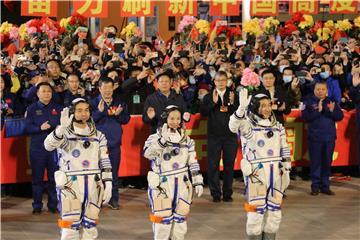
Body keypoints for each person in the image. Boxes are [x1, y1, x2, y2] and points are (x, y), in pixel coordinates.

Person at [44, 98, 112, 240]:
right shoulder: (65, 134)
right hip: (71, 184)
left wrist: (109, 183)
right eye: (79, 110)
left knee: (91, 224)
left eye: (86, 110)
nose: (83, 113)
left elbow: (104, 159)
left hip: (94, 182)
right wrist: (60, 129)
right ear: (72, 112)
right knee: (70, 224)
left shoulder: (98, 135)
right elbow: (48, 145)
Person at [229, 88, 291, 240]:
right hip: (257, 172)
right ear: (255, 107)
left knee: (275, 211)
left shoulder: (277, 126)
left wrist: (287, 168)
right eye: (262, 105)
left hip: (276, 171)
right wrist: (241, 108)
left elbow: (284, 147)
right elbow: (233, 126)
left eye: (268, 104)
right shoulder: (249, 125)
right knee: (256, 212)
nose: (267, 108)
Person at [143, 105, 203, 240]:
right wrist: (162, 141)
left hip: (182, 183)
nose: (175, 122)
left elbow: (192, 161)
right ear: (165, 119)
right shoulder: (155, 138)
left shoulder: (187, 140)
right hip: (163, 184)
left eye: (178, 119)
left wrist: (197, 180)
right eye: (171, 118)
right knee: (163, 222)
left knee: (180, 221)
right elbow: (147, 154)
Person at [90, 77, 130, 210]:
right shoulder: (92, 103)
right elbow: (89, 121)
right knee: (97, 173)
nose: (107, 91)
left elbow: (125, 120)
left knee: (113, 173)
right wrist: (100, 112)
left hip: (113, 143)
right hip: (96, 145)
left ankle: (114, 199)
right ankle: (98, 199)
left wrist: (118, 115)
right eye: (104, 88)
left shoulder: (119, 102)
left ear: (113, 88)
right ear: (99, 88)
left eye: (109, 88)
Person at [200, 70, 239, 202]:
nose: (221, 83)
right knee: (213, 165)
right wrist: (214, 103)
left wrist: (234, 104)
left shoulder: (234, 95)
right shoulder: (208, 96)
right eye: (218, 80)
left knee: (229, 165)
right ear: (214, 82)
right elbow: (203, 113)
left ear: (227, 81)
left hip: (230, 136)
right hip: (214, 136)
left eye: (223, 80)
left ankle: (227, 193)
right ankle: (215, 193)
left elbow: (240, 113)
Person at [25, 82, 63, 214]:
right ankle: (37, 206)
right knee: (37, 179)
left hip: (54, 149)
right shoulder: (31, 109)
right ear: (37, 93)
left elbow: (64, 126)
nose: (47, 93)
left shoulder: (58, 108)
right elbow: (27, 127)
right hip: (38, 148)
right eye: (44, 91)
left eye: (49, 91)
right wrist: (39, 128)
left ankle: (53, 205)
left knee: (54, 178)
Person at [302, 81, 344, 195]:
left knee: (327, 162)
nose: (320, 91)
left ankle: (325, 186)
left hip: (329, 138)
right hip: (315, 138)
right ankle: (315, 187)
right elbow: (305, 117)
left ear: (327, 91)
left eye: (323, 89)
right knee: (316, 163)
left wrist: (330, 111)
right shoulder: (308, 102)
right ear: (314, 90)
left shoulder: (331, 102)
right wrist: (317, 111)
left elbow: (340, 117)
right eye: (318, 89)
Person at [143, 69, 187, 133]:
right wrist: (149, 117)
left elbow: (185, 115)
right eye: (161, 81)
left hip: (176, 133)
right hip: (157, 134)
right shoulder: (151, 98)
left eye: (166, 81)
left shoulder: (178, 97)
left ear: (171, 82)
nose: (164, 83)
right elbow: (145, 119)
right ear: (157, 83)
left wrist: (187, 118)